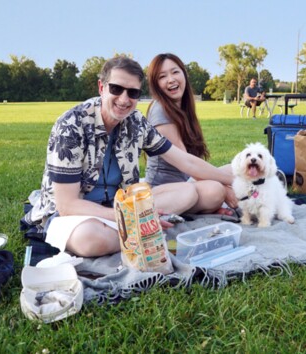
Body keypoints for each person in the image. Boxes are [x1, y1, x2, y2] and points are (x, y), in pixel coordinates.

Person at [21, 56, 236, 258]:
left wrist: (233, 180)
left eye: (132, 93)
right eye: (116, 89)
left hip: (123, 204)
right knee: (92, 239)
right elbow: (67, 205)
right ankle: (146, 232)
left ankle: (138, 231)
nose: (124, 99)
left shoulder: (135, 122)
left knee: (188, 191)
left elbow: (184, 160)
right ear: (101, 87)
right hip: (79, 214)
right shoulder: (71, 125)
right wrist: (133, 218)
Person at [145, 53, 237, 215]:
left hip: (186, 182)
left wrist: (229, 180)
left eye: (175, 72)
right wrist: (230, 185)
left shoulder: (183, 108)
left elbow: (193, 163)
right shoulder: (160, 109)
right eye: (162, 76)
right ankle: (196, 206)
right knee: (216, 190)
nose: (171, 79)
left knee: (235, 168)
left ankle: (201, 206)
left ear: (184, 74)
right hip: (164, 191)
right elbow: (187, 163)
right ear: (156, 84)